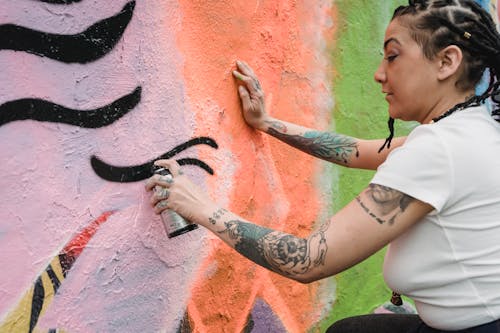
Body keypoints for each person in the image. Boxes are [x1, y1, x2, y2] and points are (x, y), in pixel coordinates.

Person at [145, 0, 500, 331]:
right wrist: (267, 122)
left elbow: (309, 259)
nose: (379, 74)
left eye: (392, 56)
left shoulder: (439, 150)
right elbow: (356, 151)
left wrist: (201, 207)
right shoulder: (470, 129)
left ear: (446, 62)